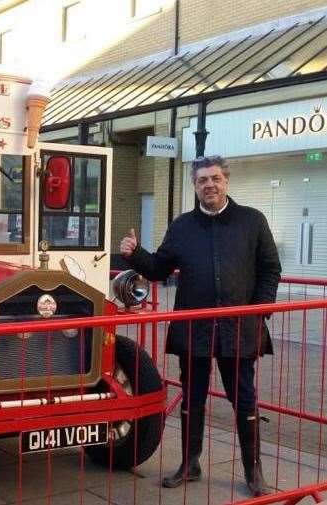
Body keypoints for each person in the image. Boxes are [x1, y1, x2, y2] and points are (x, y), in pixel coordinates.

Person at [119, 155, 281, 496]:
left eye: (216, 178)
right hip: (194, 329)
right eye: (203, 180)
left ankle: (255, 474)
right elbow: (159, 268)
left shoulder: (253, 221)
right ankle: (189, 464)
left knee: (245, 398)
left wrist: (260, 309)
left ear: (226, 182)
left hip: (239, 328)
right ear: (195, 186)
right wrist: (135, 254)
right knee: (192, 396)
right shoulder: (182, 226)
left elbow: (270, 267)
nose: (210, 185)